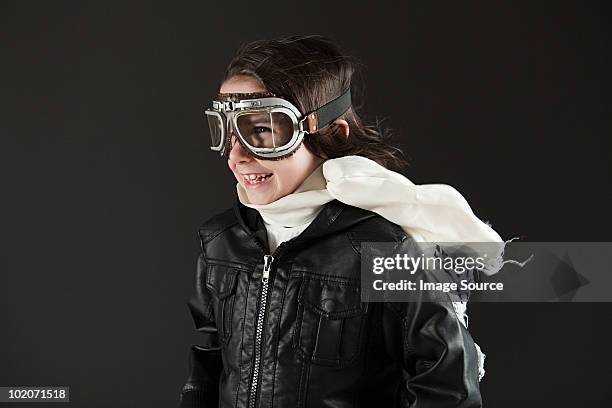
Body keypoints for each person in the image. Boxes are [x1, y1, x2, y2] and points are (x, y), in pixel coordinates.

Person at [178, 35, 498, 408]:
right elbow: (208, 362)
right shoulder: (221, 241)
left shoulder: (386, 251)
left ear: (332, 132)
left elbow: (449, 390)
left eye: (261, 131)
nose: (236, 156)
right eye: (227, 132)